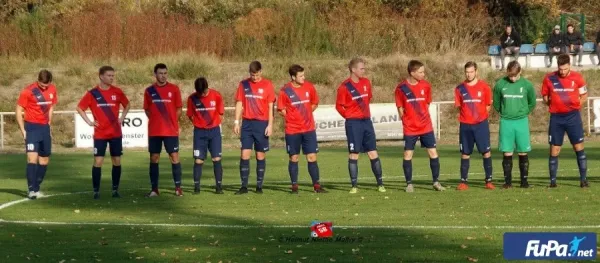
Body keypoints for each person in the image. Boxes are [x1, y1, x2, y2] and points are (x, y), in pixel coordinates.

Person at [76, 66, 131, 199]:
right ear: (101, 76)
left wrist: (122, 118)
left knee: (116, 160)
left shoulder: (117, 92)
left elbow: (127, 104)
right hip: (100, 134)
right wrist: (89, 122)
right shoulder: (93, 93)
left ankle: (115, 190)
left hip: (115, 133)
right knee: (98, 161)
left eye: (113, 75)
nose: (112, 78)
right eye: (109, 75)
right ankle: (96, 191)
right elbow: (79, 107)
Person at [335, 57, 385, 194]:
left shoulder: (366, 82)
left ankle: (380, 184)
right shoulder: (344, 87)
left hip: (366, 122)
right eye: (362, 68)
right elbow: (339, 107)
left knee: (372, 151)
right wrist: (350, 117)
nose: (364, 70)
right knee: (354, 153)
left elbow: (368, 98)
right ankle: (354, 186)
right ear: (353, 69)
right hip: (353, 123)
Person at [395, 60, 444, 193]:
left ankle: (436, 182)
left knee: (433, 152)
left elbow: (427, 104)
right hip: (410, 127)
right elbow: (400, 108)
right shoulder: (401, 88)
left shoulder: (426, 86)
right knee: (408, 154)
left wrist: (422, 117)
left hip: (425, 126)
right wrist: (407, 120)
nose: (423, 74)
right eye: (421, 72)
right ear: (412, 72)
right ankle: (409, 184)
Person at [541, 54, 589, 188]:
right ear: (557, 66)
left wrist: (576, 105)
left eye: (565, 69)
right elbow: (545, 96)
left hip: (573, 117)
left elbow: (584, 95)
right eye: (560, 69)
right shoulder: (549, 78)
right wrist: (553, 104)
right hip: (556, 118)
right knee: (554, 149)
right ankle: (553, 182)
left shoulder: (577, 77)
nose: (562, 72)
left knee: (578, 147)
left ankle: (583, 180)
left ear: (570, 66)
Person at [277, 64, 326, 194]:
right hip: (293, 130)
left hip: (309, 129)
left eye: (304, 75)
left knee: (312, 157)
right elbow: (281, 109)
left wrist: (307, 114)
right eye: (301, 76)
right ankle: (294, 186)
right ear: (293, 77)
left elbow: (315, 103)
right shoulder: (285, 90)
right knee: (294, 158)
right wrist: (292, 117)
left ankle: (316, 186)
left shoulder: (309, 87)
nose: (303, 77)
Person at [233, 61, 276, 195]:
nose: (255, 78)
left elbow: (270, 107)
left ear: (261, 72)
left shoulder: (268, 85)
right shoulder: (243, 84)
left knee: (260, 155)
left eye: (257, 75)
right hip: (247, 124)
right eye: (253, 75)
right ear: (249, 73)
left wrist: (270, 125)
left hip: (261, 124)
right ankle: (244, 186)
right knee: (244, 154)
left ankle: (259, 186)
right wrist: (236, 122)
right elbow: (239, 103)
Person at [493, 61, 536, 189]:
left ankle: (524, 182)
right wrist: (505, 112)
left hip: (521, 121)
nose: (512, 78)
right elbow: (496, 103)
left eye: (514, 76)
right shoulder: (500, 84)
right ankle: (508, 182)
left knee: (523, 151)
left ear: (520, 72)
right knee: (507, 152)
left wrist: (523, 112)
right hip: (506, 122)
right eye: (510, 75)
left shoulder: (527, 85)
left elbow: (532, 102)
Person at [16, 70, 57, 200]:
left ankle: (36, 187)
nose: (44, 87)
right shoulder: (27, 91)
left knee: (44, 160)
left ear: (50, 82)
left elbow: (51, 107)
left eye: (46, 85)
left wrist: (49, 124)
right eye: (41, 85)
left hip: (44, 128)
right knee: (32, 159)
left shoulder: (53, 89)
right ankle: (31, 190)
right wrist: (23, 131)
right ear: (37, 80)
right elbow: (18, 110)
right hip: (32, 128)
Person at [143, 63, 184, 197]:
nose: (163, 76)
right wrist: (156, 120)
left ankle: (178, 188)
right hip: (154, 131)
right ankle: (154, 189)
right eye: (160, 73)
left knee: (174, 156)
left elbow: (179, 109)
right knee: (154, 158)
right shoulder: (149, 91)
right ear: (155, 74)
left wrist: (171, 122)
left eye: (165, 73)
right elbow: (147, 109)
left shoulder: (174, 89)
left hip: (170, 131)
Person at [454, 62, 494, 191]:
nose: (469, 74)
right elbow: (459, 106)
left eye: (471, 71)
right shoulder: (460, 88)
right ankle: (463, 181)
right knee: (465, 153)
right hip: (465, 125)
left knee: (486, 152)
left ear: (476, 71)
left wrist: (479, 117)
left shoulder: (484, 87)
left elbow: (488, 105)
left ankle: (488, 181)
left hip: (481, 125)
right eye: (466, 72)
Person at [187, 77, 225, 194]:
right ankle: (196, 188)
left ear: (207, 87)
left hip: (214, 132)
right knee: (198, 160)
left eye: (204, 91)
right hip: (199, 132)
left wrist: (215, 125)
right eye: (200, 92)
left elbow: (221, 113)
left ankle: (219, 187)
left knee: (216, 158)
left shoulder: (216, 95)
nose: (202, 94)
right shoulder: (192, 98)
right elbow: (190, 115)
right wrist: (198, 125)